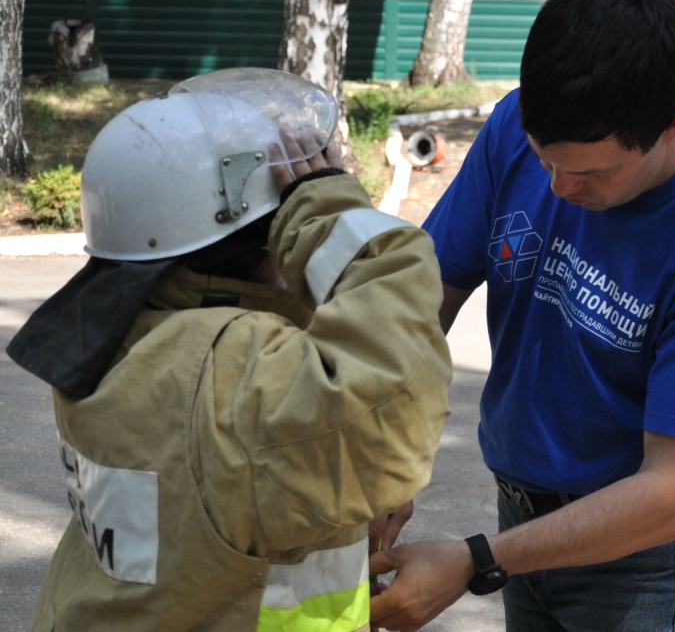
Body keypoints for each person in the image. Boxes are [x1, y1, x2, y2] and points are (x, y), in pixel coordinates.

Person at [368, 0, 675, 632]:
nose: (560, 189)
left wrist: (478, 559)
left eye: (591, 172)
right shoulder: (514, 127)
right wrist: (381, 456)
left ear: (672, 123)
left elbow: (673, 493)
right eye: (544, 160)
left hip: (642, 557)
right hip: (521, 507)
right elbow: (424, 298)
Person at [6, 68, 452, 632]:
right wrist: (325, 213)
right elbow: (395, 383)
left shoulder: (123, 338)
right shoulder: (224, 370)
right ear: (258, 239)